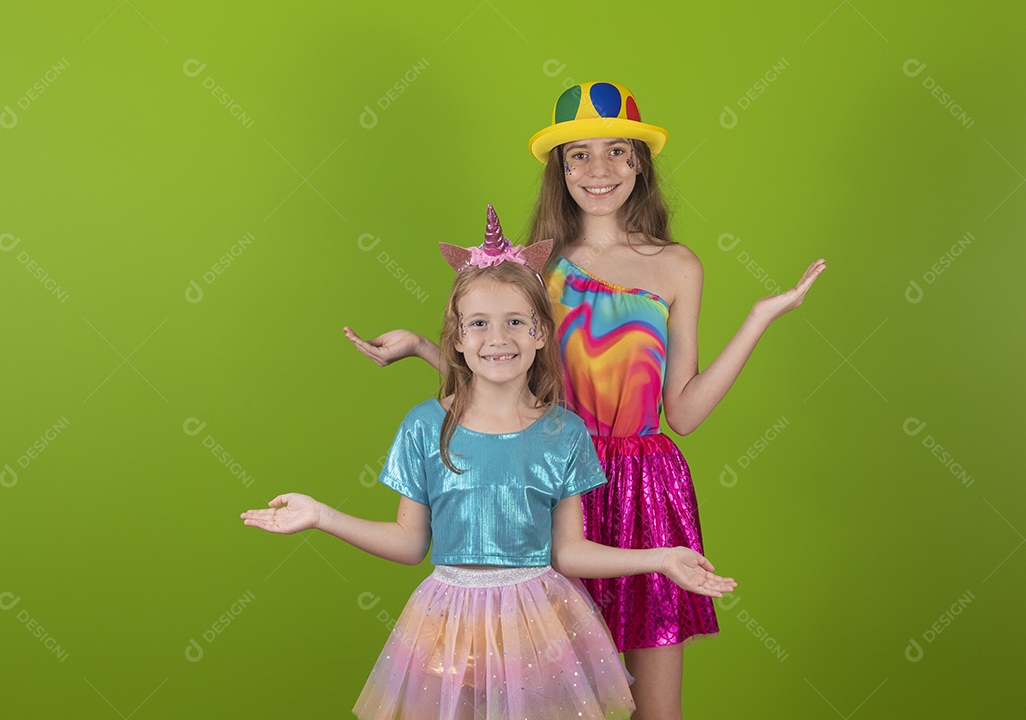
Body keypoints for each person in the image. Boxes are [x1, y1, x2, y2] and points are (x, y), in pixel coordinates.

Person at [344, 82, 824, 719]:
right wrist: (421, 349)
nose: (599, 171)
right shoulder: (537, 267)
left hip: (648, 491)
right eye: (578, 156)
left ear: (639, 164)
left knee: (656, 707)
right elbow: (503, 379)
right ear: (559, 169)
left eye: (618, 152)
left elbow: (683, 412)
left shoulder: (680, 266)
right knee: (548, 703)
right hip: (544, 478)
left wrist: (759, 319)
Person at [245, 207, 737, 720]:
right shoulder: (424, 426)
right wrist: (322, 515)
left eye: (515, 323)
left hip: (538, 624)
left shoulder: (563, 433)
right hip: (446, 624)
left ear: (541, 333)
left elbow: (569, 552)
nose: (497, 338)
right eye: (478, 324)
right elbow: (409, 542)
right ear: (457, 336)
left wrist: (660, 558)